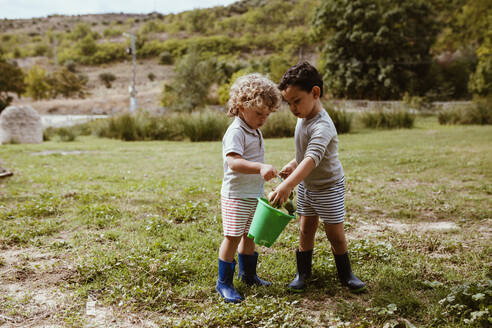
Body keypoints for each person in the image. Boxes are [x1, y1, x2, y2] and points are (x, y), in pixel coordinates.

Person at [270, 61, 366, 293]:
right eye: (288, 103)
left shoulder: (323, 126)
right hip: (307, 186)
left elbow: (313, 159)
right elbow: (304, 155)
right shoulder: (302, 119)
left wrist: (286, 185)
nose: (293, 108)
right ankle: (303, 274)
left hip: (328, 187)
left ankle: (346, 275)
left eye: (297, 101)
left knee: (335, 234)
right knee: (306, 229)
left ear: (315, 93)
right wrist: (293, 165)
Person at [217, 73, 282, 303]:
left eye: (266, 115)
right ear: (241, 106)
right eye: (258, 114)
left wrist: (269, 171)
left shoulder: (254, 129)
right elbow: (233, 162)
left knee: (250, 235)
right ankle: (224, 283)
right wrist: (259, 168)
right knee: (232, 237)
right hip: (236, 196)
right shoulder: (236, 131)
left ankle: (248, 275)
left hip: (253, 195)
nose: (263, 119)